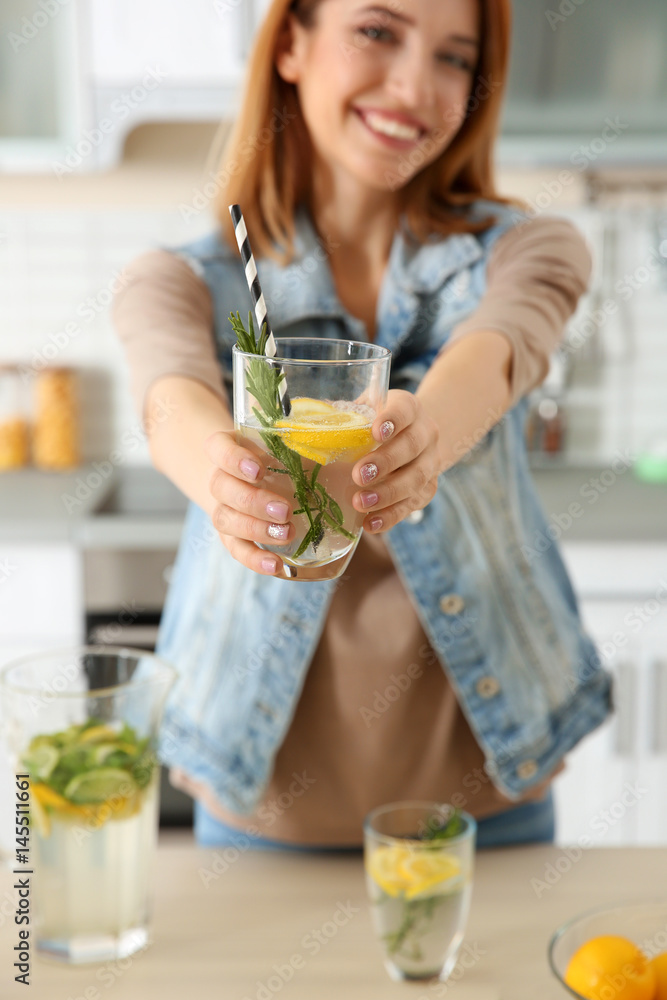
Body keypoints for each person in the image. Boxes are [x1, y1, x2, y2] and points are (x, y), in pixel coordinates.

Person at [113, 0, 612, 851]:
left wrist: (423, 436)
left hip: (487, 805)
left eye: (456, 57)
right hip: (258, 809)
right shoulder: (185, 280)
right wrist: (225, 481)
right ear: (292, 44)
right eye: (377, 32)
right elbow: (171, 403)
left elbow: (494, 355)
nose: (417, 85)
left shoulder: (527, 250)